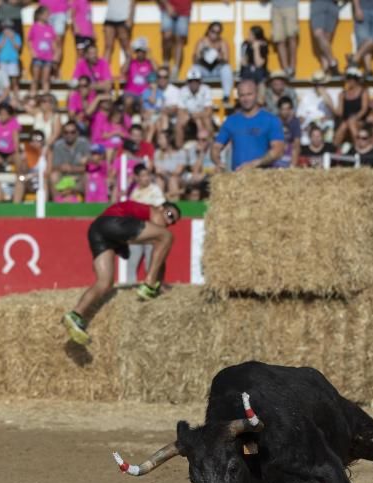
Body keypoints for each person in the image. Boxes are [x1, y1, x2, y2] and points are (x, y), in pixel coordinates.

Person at [62, 200, 182, 345]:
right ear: (160, 208)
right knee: (167, 236)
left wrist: (160, 280)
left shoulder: (140, 222)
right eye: (169, 215)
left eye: (172, 222)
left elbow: (159, 255)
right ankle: (149, 284)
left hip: (97, 230)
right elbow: (162, 241)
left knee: (104, 282)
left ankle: (75, 315)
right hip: (113, 223)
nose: (168, 222)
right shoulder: (148, 210)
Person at [211, 79, 285, 171]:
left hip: (262, 177)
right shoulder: (231, 120)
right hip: (238, 177)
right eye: (242, 95)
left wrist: (254, 164)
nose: (246, 99)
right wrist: (218, 162)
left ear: (256, 94)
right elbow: (216, 146)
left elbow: (278, 150)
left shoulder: (271, 120)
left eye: (249, 94)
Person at [190, 24, 234, 105]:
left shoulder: (222, 43)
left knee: (227, 68)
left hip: (216, 69)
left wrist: (218, 56)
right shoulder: (202, 42)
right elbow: (194, 60)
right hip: (204, 69)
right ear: (208, 31)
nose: (214, 34)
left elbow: (226, 60)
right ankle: (195, 95)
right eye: (213, 31)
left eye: (217, 32)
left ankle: (226, 96)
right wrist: (203, 55)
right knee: (194, 69)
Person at [175, 67, 213, 148]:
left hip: (200, 116)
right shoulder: (183, 91)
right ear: (187, 82)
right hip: (189, 116)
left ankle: (209, 147)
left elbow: (209, 111)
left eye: (196, 80)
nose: (193, 83)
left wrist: (196, 117)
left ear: (200, 81)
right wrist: (192, 116)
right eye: (191, 81)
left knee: (207, 120)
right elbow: (180, 111)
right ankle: (180, 148)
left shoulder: (206, 89)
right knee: (179, 123)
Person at [333, 68, 369, 147]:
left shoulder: (363, 92)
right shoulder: (342, 94)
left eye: (351, 78)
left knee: (350, 123)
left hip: (360, 121)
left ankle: (358, 148)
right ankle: (334, 149)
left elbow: (364, 109)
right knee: (345, 125)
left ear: (356, 80)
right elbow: (340, 112)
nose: (349, 81)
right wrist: (330, 104)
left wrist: (355, 118)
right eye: (348, 78)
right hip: (346, 121)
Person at [50, 121, 90, 192]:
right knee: (54, 176)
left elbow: (89, 167)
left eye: (72, 132)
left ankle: (88, 201)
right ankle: (57, 201)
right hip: (64, 177)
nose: (69, 134)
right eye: (66, 132)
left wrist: (72, 168)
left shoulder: (84, 143)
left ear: (77, 133)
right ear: (63, 134)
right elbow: (54, 166)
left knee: (88, 176)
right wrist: (61, 167)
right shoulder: (58, 145)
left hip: (79, 177)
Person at [296, 70, 335, 139]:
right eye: (317, 84)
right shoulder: (306, 96)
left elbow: (335, 114)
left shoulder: (332, 94)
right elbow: (300, 116)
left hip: (325, 125)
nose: (319, 86)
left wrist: (326, 97)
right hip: (310, 126)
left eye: (321, 84)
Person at [29, 6, 58, 95]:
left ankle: (46, 98)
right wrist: (32, 52)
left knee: (46, 79)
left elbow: (53, 42)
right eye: (46, 14)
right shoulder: (34, 27)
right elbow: (29, 40)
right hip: (37, 58)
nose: (48, 16)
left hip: (48, 58)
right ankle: (32, 98)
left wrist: (55, 54)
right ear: (40, 15)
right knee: (35, 79)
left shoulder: (50, 28)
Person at [123, 39, 157, 113]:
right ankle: (127, 120)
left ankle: (142, 122)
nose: (140, 53)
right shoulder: (131, 62)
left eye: (142, 51)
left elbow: (157, 71)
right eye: (138, 51)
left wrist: (151, 57)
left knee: (144, 101)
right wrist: (129, 57)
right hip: (130, 92)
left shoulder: (149, 63)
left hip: (145, 93)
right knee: (128, 101)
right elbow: (123, 71)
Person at [159, 0, 191, 76]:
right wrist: (167, 5)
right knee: (167, 36)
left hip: (184, 11)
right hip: (167, 9)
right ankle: (166, 64)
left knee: (180, 40)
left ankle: (175, 70)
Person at [310, 0, 341, 76]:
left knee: (326, 40)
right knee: (318, 34)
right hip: (318, 3)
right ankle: (333, 62)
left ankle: (325, 69)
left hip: (333, 4)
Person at [103, 0, 135, 71]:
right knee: (108, 47)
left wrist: (130, 18)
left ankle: (129, 72)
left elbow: (132, 3)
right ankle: (104, 72)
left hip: (123, 19)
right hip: (109, 18)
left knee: (126, 47)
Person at [271, 0, 300, 77]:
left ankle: (292, 68)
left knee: (292, 36)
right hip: (275, 6)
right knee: (279, 39)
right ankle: (285, 69)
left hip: (290, 5)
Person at [0, 21, 23, 97]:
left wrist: (12, 38)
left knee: (14, 81)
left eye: (8, 28)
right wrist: (4, 38)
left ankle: (16, 97)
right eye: (4, 28)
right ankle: (5, 96)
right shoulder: (0, 36)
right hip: (2, 61)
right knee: (4, 81)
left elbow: (17, 48)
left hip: (13, 61)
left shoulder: (16, 36)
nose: (6, 30)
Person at [274, 97, 302, 168]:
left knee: (295, 149)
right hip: (277, 147)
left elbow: (297, 142)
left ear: (291, 110)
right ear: (279, 110)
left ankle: (291, 169)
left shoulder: (295, 122)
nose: (285, 112)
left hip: (290, 149)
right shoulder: (274, 121)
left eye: (287, 109)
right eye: (283, 109)